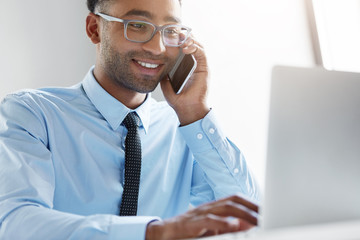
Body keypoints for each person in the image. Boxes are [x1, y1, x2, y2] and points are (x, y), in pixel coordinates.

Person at [0, 0, 260, 239]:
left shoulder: (184, 127)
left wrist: (194, 112)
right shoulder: (31, 114)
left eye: (170, 29)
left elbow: (250, 216)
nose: (157, 47)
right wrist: (153, 232)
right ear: (94, 29)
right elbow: (15, 223)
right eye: (137, 26)